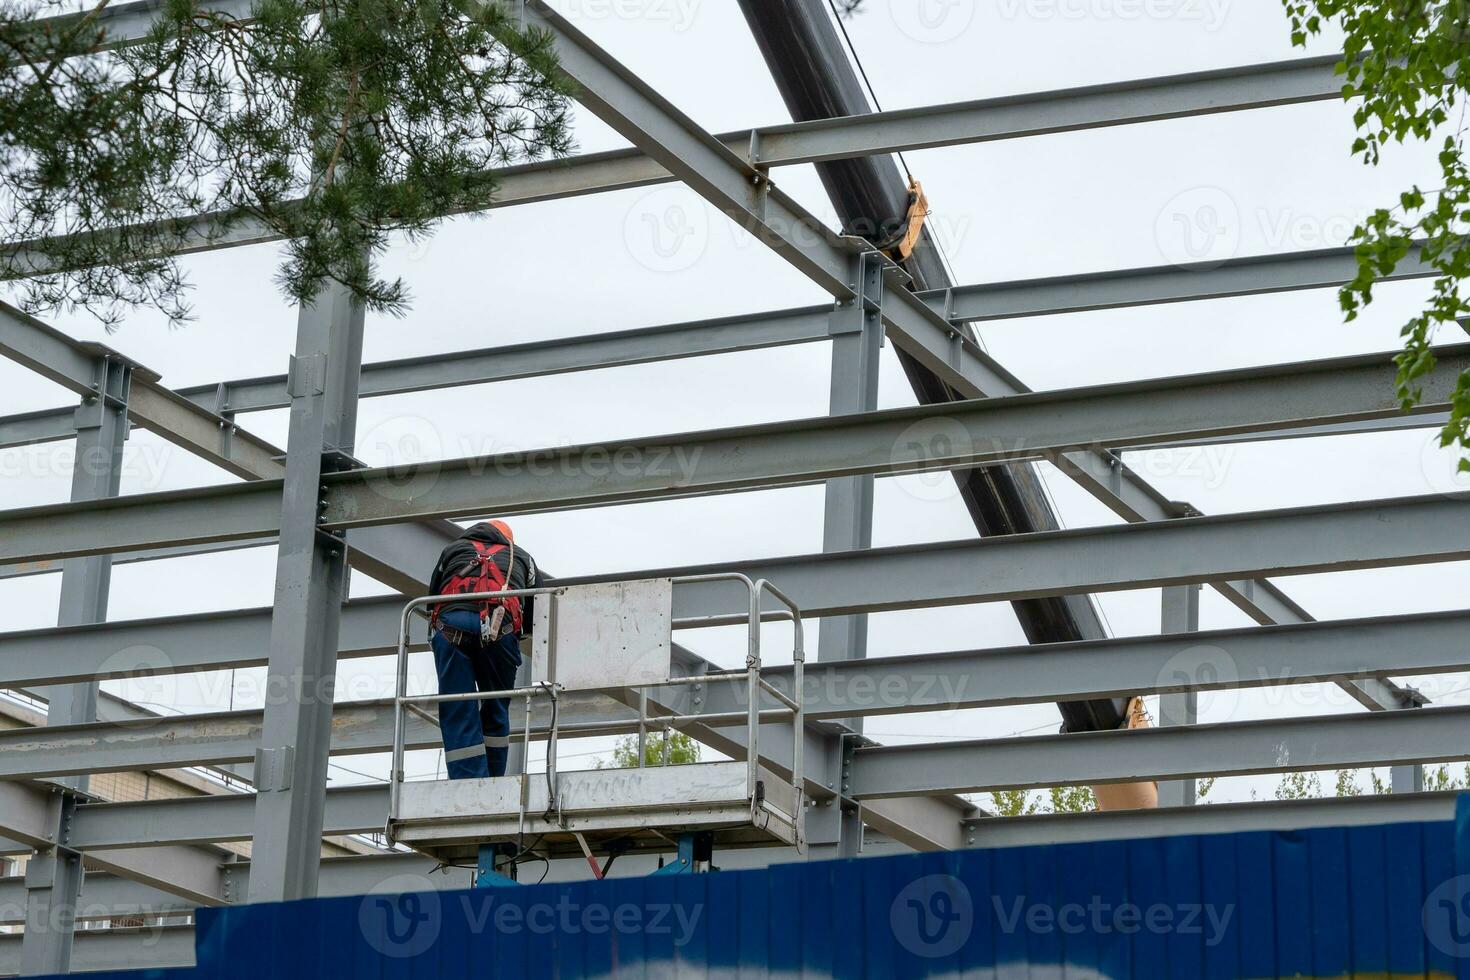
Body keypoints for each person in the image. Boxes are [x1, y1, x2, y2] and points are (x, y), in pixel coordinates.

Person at [426, 520, 537, 780]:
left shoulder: (452, 550)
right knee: (496, 707)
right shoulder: (522, 557)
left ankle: (467, 780)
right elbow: (533, 617)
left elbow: (433, 598)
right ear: (508, 539)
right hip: (500, 631)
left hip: (450, 627)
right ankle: (493, 782)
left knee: (457, 707)